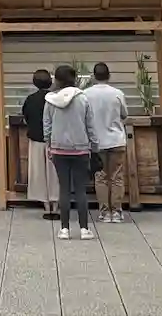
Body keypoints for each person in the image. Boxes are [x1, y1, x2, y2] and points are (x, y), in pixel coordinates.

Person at [44, 64, 97, 240]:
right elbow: (90, 125)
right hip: (80, 149)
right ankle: (84, 229)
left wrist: (48, 145)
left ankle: (64, 229)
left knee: (64, 189)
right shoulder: (83, 98)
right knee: (80, 189)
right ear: (74, 79)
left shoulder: (50, 100)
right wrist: (94, 146)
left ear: (57, 79)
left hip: (58, 149)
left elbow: (47, 126)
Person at [84, 62, 130, 223]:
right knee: (117, 177)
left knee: (100, 177)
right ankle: (116, 212)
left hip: (97, 141)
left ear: (93, 76)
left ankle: (104, 212)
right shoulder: (117, 93)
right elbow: (124, 114)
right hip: (116, 140)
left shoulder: (86, 94)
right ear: (109, 76)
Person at [21, 69, 59, 219]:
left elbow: (26, 117)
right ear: (50, 82)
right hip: (55, 140)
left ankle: (45, 204)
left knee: (39, 172)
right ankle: (56, 203)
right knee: (55, 172)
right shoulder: (56, 99)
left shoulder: (30, 99)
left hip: (36, 139)